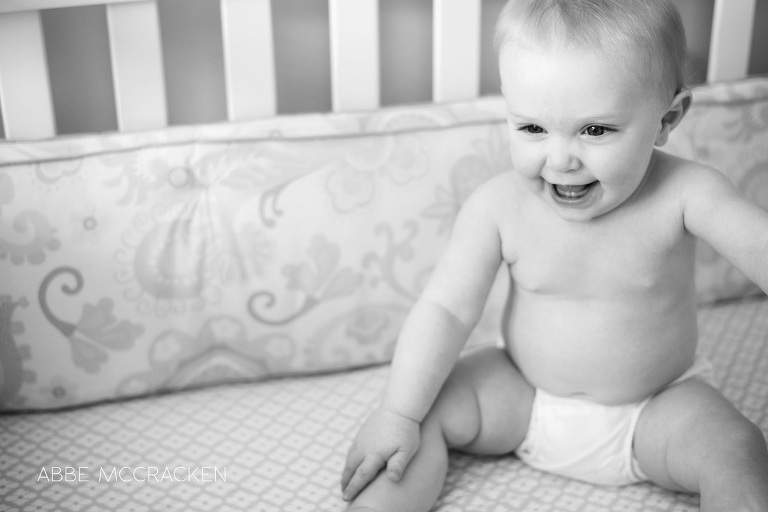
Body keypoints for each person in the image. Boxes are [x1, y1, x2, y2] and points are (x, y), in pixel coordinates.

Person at [340, 0, 768, 510]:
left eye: (596, 130)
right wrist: (399, 413)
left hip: (658, 408)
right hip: (520, 393)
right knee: (414, 425)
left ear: (665, 120)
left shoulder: (688, 194)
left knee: (737, 451)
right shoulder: (497, 207)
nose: (561, 159)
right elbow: (446, 309)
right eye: (532, 129)